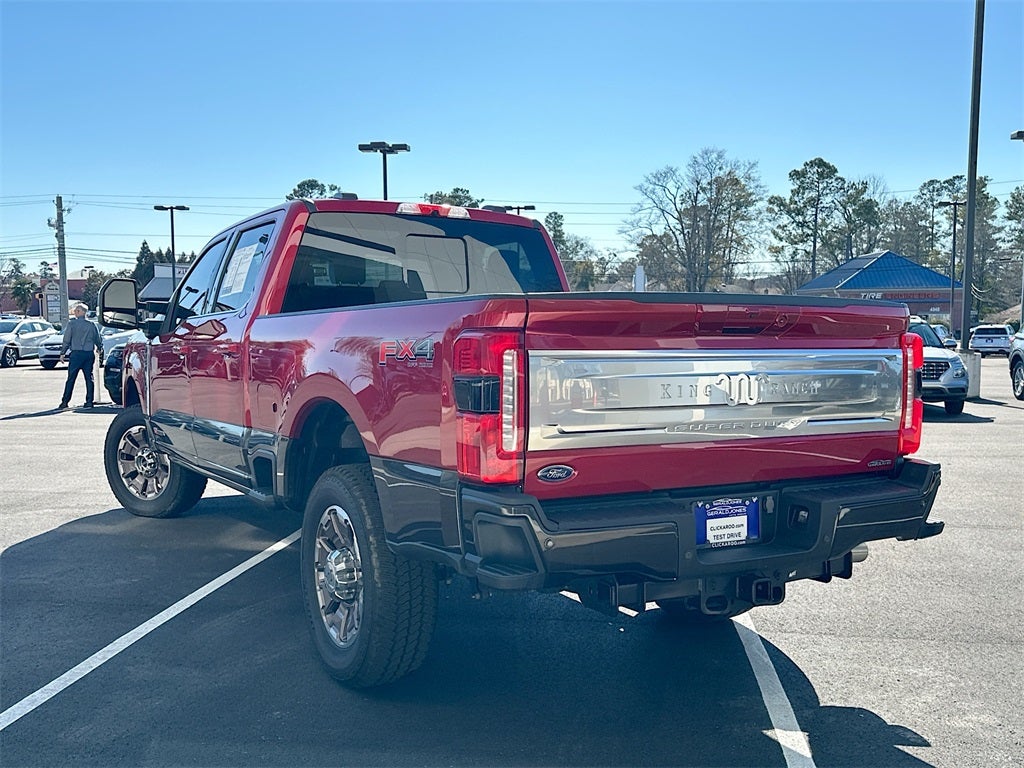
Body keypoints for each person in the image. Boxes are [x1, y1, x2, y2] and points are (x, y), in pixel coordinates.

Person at [57, 303, 103, 409]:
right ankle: (89, 401)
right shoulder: (91, 325)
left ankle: (65, 402)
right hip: (88, 354)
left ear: (82, 312)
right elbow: (97, 338)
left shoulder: (72, 324)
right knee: (89, 378)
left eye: (77, 310)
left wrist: (62, 352)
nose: (75, 312)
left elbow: (67, 339)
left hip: (76, 354)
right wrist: (100, 348)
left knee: (71, 378)